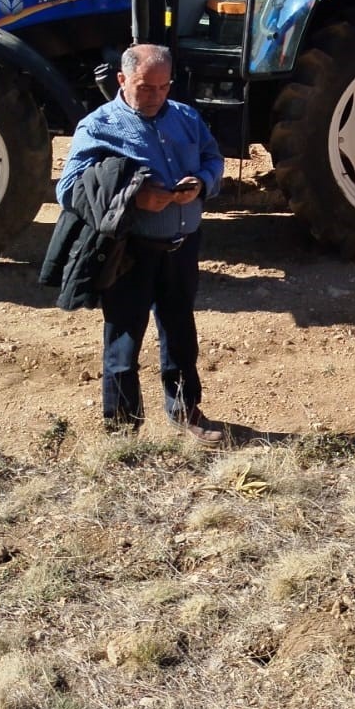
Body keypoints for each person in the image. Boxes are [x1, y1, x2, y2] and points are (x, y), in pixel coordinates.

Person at [49, 44, 226, 443]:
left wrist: (201, 183)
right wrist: (135, 199)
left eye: (164, 87)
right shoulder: (99, 126)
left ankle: (185, 412)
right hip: (131, 252)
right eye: (147, 87)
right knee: (124, 338)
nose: (157, 96)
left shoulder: (186, 118)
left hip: (182, 246)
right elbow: (68, 188)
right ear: (122, 80)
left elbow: (213, 158)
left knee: (180, 332)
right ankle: (123, 429)